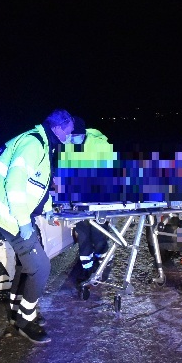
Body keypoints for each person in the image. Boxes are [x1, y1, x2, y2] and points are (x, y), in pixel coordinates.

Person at [0, 109, 75, 344]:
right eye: (69, 131)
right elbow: (14, 184)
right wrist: (23, 224)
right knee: (41, 268)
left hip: (12, 214)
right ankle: (25, 320)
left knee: (27, 264)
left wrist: (49, 208)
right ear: (59, 127)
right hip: (8, 216)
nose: (71, 136)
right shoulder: (33, 145)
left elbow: (38, 184)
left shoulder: (41, 143)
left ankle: (15, 311)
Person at [60, 116, 117, 282]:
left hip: (98, 199)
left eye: (73, 135)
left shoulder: (100, 145)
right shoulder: (68, 146)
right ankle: (87, 269)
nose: (71, 138)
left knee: (98, 235)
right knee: (83, 236)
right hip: (78, 200)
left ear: (82, 134)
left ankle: (103, 265)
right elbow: (64, 170)